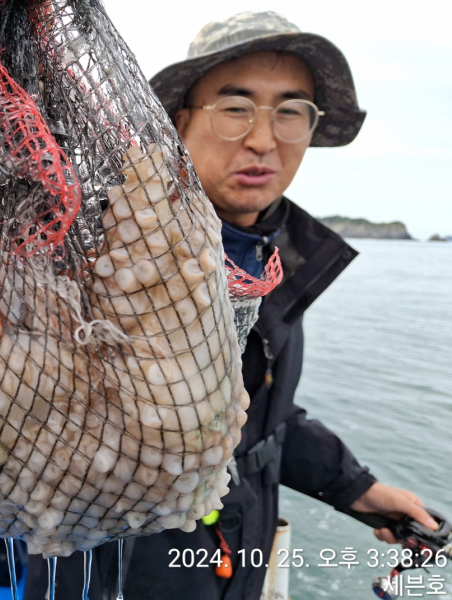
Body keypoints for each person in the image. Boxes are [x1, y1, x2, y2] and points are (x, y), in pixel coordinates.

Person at [23, 11, 438, 600]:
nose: (264, 139)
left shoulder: (274, 253)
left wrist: (356, 489)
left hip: (231, 561)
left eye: (291, 111)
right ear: (178, 121)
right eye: (235, 107)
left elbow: (250, 417)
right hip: (119, 574)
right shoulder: (100, 253)